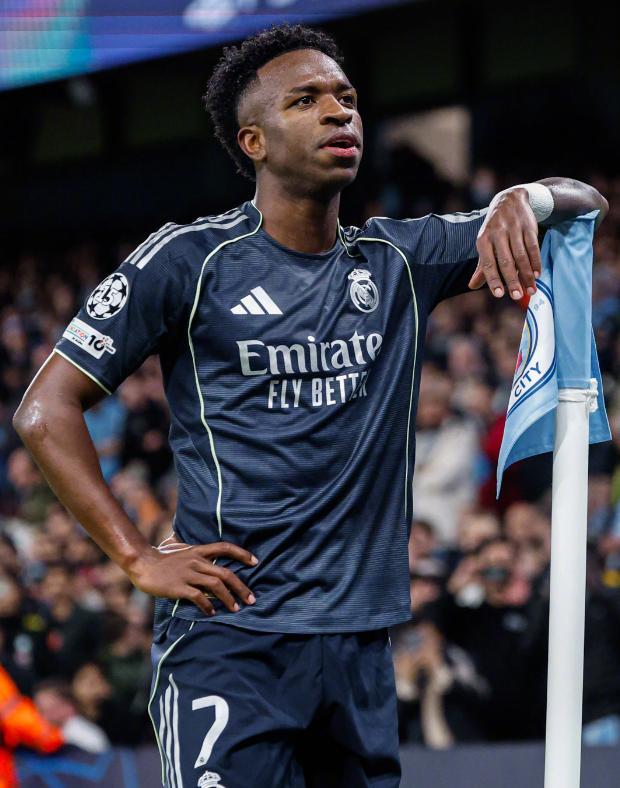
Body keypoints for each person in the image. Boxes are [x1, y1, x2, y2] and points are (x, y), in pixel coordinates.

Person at [13, 22, 608, 788]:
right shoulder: (188, 261)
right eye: (306, 100)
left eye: (347, 98)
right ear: (253, 141)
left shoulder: (398, 260)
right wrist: (135, 556)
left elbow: (582, 201)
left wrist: (522, 197)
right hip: (231, 645)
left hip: (360, 652)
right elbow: (44, 410)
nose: (338, 112)